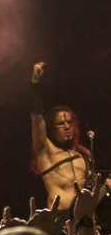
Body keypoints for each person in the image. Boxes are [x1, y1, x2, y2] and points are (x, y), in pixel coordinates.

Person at [30, 62, 92, 212]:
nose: (66, 126)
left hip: (85, 221)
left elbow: (91, 192)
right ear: (52, 128)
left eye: (69, 122)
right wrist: (35, 84)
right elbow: (37, 119)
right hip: (60, 221)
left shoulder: (82, 154)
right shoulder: (46, 151)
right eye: (61, 123)